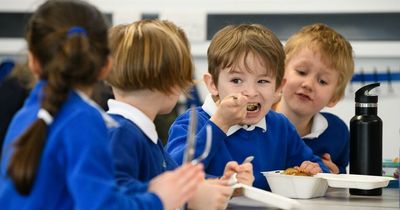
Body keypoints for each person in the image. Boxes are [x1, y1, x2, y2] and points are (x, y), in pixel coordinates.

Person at [0, 1, 204, 210]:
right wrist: (158, 201)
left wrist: (150, 190)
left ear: (32, 60)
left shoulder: (25, 115)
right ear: (106, 66)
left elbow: (95, 193)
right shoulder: (84, 120)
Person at [166, 24, 330, 191]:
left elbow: (320, 171)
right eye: (236, 80)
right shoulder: (192, 122)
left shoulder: (281, 127)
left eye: (262, 81)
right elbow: (173, 173)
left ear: (278, 89)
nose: (251, 92)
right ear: (213, 84)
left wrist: (313, 170)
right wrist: (219, 124)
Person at [106, 19, 234, 210]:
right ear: (173, 84)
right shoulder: (123, 133)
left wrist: (217, 183)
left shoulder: (139, 132)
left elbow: (172, 178)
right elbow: (113, 202)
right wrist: (188, 201)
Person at [274, 23, 354, 174]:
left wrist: (335, 175)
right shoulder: (255, 122)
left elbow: (341, 172)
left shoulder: (337, 132)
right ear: (279, 73)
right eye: (302, 72)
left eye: (322, 81)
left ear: (334, 97)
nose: (308, 84)